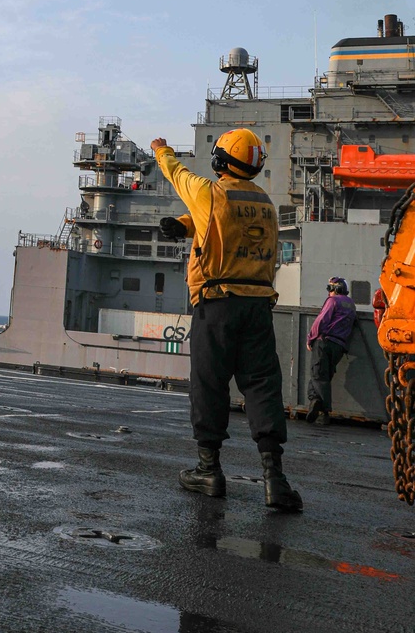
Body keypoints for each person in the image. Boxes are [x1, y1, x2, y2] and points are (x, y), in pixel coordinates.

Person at [151, 128, 302, 513]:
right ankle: (276, 480)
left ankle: (208, 470)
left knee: (210, 383)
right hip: (257, 307)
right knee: (262, 386)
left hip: (217, 304)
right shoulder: (265, 203)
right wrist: (185, 226)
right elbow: (231, 225)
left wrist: (161, 149)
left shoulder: (211, 193)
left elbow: (177, 174)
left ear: (220, 160)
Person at [305, 278, 357, 425]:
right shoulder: (351, 304)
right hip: (339, 346)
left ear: (335, 288)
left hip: (324, 341)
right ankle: (314, 401)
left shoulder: (333, 301)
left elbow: (321, 321)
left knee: (318, 375)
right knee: (323, 375)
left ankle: (324, 411)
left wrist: (310, 338)